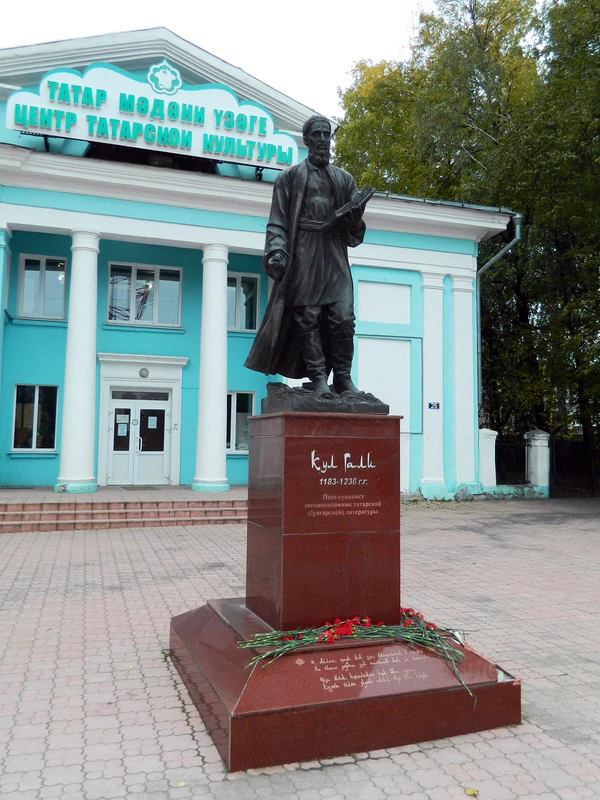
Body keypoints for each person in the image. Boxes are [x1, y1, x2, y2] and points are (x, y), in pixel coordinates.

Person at [244, 115, 368, 396]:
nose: (323, 139)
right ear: (307, 140)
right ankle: (319, 378)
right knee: (308, 318)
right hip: (304, 251)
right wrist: (277, 251)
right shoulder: (289, 178)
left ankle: (343, 378)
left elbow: (355, 235)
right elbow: (277, 222)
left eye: (326, 134)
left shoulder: (345, 180)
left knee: (344, 318)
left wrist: (354, 219)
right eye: (317, 134)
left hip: (334, 253)